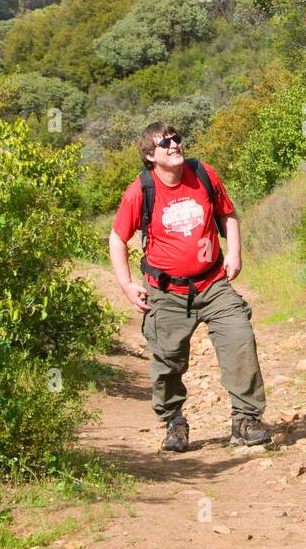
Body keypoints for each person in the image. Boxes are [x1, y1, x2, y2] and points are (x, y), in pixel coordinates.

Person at [108, 121, 271, 452]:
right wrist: (125, 284)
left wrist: (235, 252)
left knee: (240, 339)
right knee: (167, 362)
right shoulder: (141, 189)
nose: (174, 145)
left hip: (213, 283)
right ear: (150, 156)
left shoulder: (204, 174)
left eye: (176, 138)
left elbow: (228, 214)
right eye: (164, 143)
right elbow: (117, 237)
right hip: (166, 292)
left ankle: (245, 421)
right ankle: (174, 423)